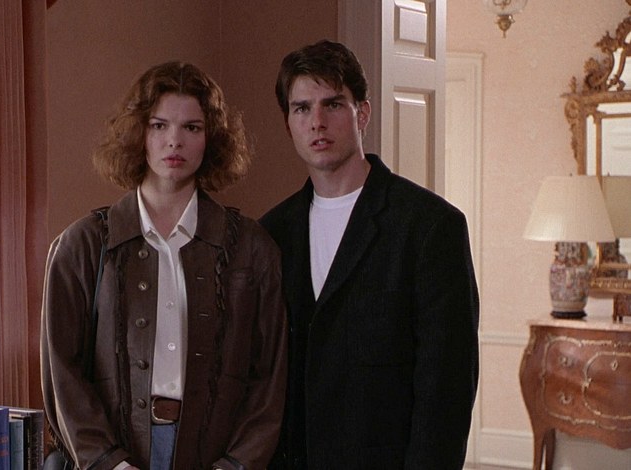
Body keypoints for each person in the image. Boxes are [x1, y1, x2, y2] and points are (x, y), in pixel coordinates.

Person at [41, 61, 288, 470]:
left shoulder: (252, 248)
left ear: (211, 139)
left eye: (192, 127)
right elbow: (62, 373)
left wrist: (235, 465)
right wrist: (110, 464)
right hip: (115, 457)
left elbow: (270, 380)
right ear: (139, 133)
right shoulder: (82, 245)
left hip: (217, 455)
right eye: (159, 126)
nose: (175, 141)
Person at [260, 40, 479, 469]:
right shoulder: (272, 233)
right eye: (302, 108)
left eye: (333, 104)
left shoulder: (430, 226)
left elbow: (446, 390)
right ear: (288, 124)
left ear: (362, 113)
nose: (317, 122)